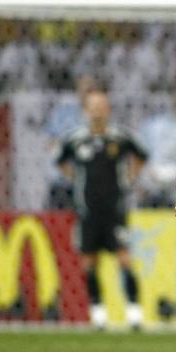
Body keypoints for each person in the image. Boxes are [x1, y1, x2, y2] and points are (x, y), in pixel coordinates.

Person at [57, 90, 148, 330]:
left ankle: (134, 313)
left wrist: (130, 177)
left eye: (101, 105)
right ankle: (98, 314)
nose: (97, 110)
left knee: (124, 259)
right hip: (87, 211)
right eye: (93, 106)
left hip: (115, 210)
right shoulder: (75, 139)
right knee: (89, 262)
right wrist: (75, 179)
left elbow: (142, 155)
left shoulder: (120, 137)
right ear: (85, 110)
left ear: (108, 109)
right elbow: (60, 160)